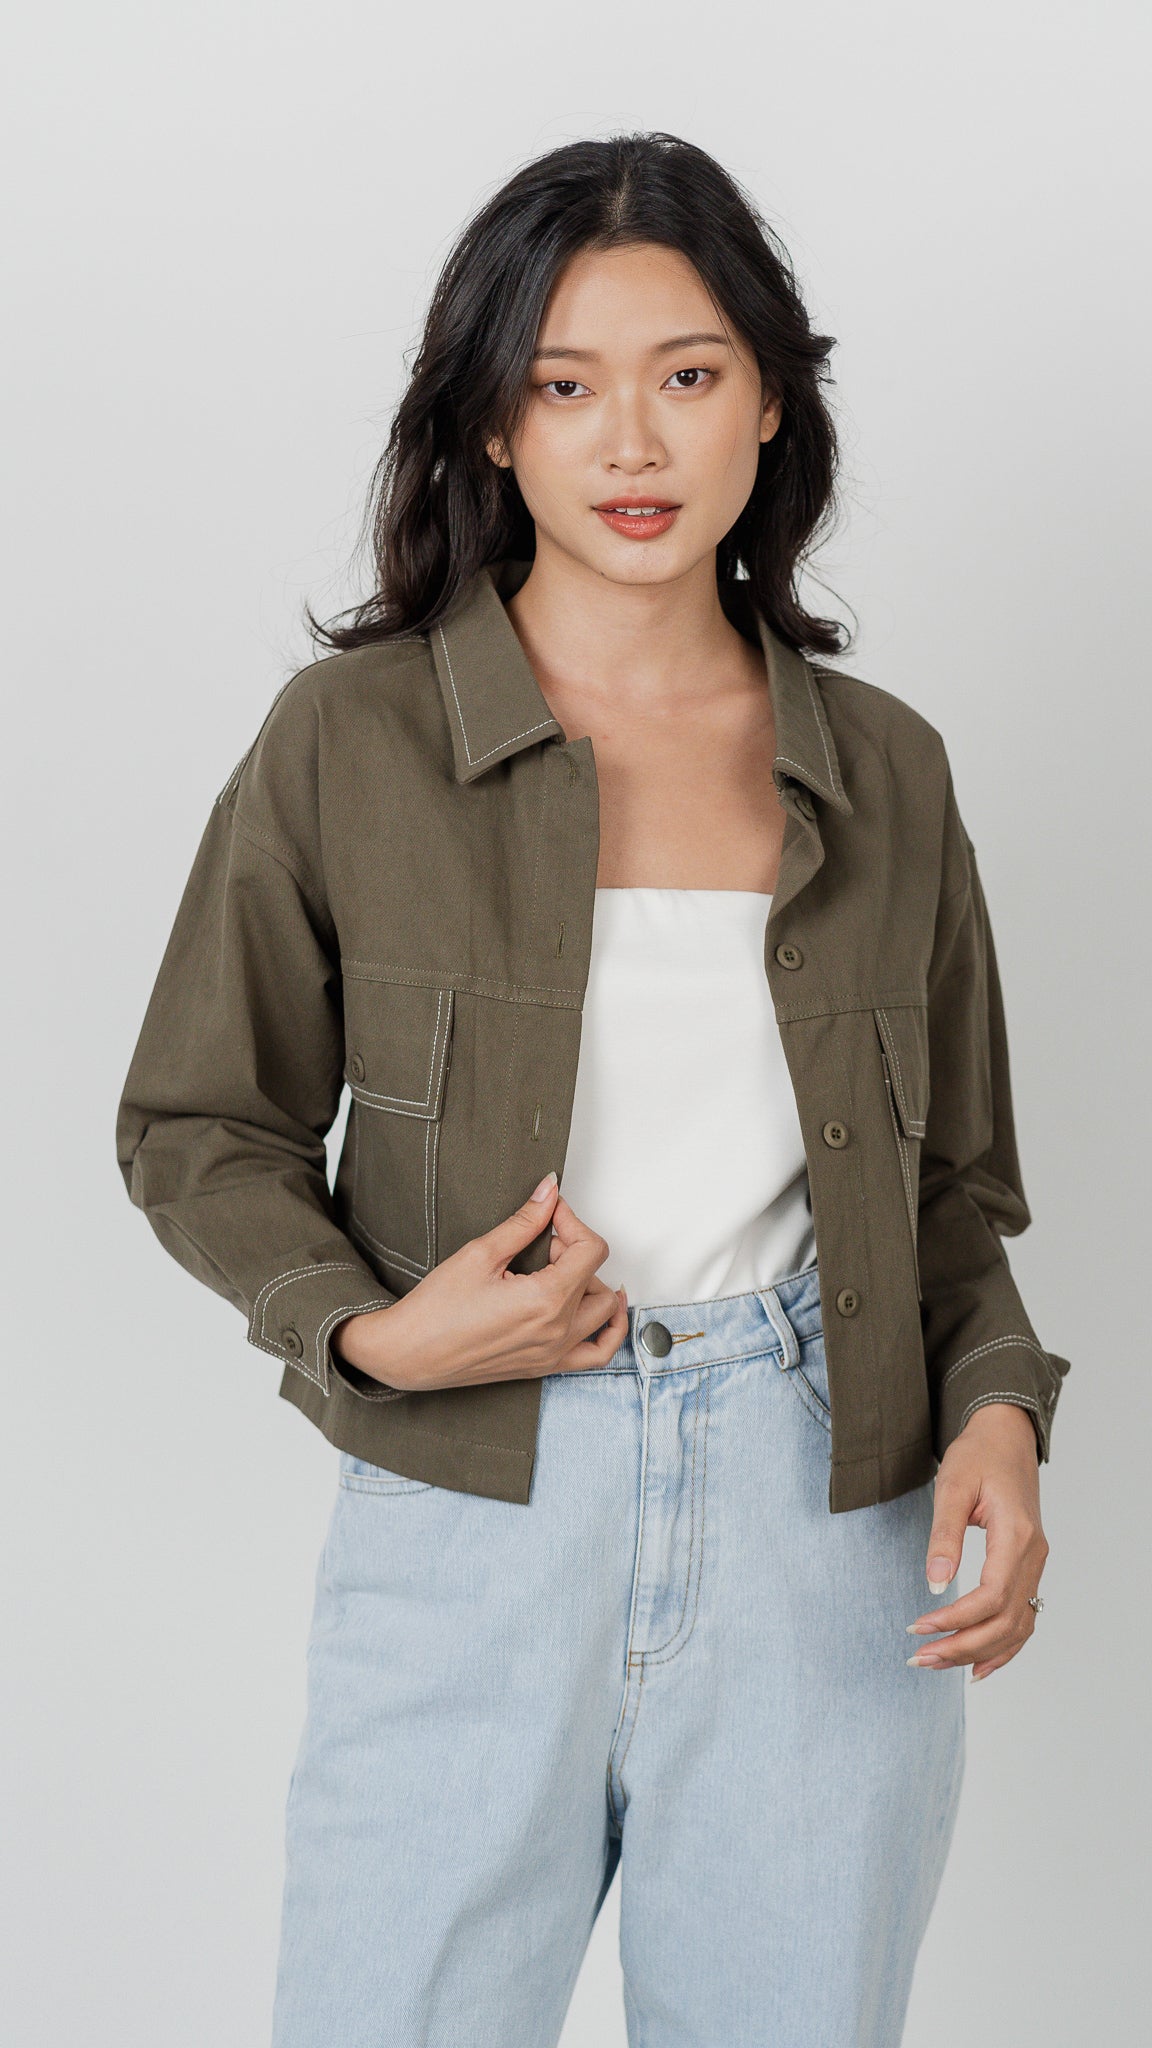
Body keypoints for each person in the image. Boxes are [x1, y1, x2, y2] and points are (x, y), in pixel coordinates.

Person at [116, 132, 1070, 2048]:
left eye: (686, 374)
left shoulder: (888, 770)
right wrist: (370, 1336)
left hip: (831, 1524)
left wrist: (999, 1407)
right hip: (474, 1505)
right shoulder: (349, 742)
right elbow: (197, 1124)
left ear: (770, 400)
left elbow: (950, 1190)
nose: (631, 441)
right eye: (564, 387)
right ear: (491, 424)